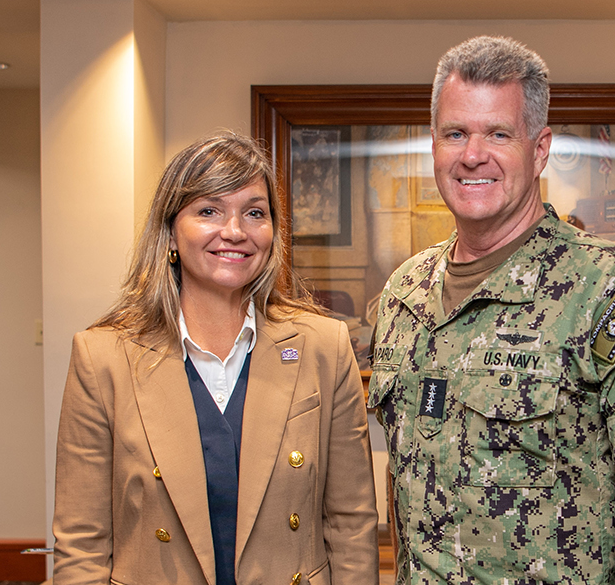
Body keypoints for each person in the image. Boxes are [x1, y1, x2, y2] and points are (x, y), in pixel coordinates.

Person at [368, 35, 615, 585]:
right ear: (434, 145)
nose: (472, 154)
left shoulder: (608, 289)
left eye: (498, 133)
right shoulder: (405, 291)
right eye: (456, 133)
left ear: (539, 148)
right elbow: (404, 476)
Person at [53, 133, 378, 585]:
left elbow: (351, 526)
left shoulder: (324, 345)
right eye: (208, 210)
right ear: (170, 231)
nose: (235, 231)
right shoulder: (102, 358)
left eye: (254, 213)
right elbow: (82, 547)